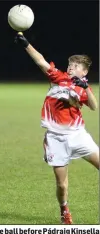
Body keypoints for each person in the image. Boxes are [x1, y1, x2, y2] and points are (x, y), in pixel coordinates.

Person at [16, 32, 100, 224]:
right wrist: (26, 44)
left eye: (76, 66)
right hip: (55, 138)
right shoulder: (58, 78)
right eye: (70, 64)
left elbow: (94, 106)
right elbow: (41, 62)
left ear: (84, 72)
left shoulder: (82, 87)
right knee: (62, 184)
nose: (71, 67)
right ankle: (64, 210)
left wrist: (85, 87)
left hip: (78, 136)